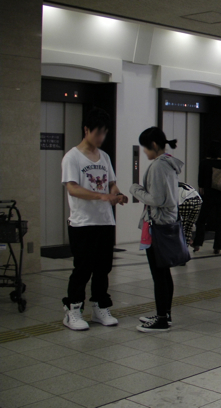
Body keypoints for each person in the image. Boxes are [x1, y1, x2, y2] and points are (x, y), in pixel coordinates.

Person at [61, 108, 128, 331]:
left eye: (104, 133)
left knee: (103, 268)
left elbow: (111, 183)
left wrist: (117, 194)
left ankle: (100, 307)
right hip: (82, 222)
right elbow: (72, 188)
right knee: (83, 268)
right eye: (98, 133)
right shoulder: (72, 157)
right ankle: (73, 310)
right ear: (86, 130)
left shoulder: (104, 157)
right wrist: (101, 196)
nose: (101, 138)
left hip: (105, 221)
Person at [130, 127, 182, 332]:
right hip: (166, 223)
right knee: (164, 273)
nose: (144, 151)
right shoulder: (169, 163)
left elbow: (157, 199)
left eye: (145, 147)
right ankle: (164, 314)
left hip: (157, 225)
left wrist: (135, 190)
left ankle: (161, 319)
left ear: (153, 145)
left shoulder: (159, 166)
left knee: (159, 274)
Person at [193, 140, 221, 255]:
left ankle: (197, 243)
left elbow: (200, 180)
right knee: (220, 222)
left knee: (201, 220)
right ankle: (217, 247)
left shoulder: (204, 162)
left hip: (208, 195)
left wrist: (202, 188)